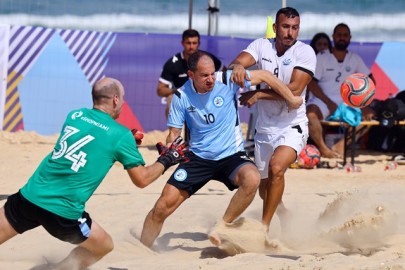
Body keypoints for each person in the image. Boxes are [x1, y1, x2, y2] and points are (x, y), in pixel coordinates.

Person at [0, 77, 187, 270]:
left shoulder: (75, 115)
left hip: (30, 197)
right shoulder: (120, 135)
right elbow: (142, 179)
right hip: (63, 214)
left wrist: (122, 142)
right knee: (104, 245)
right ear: (116, 99)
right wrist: (167, 159)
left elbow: (91, 137)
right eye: (122, 98)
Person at [140, 51, 304, 248]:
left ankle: (223, 226)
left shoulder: (227, 79)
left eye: (212, 73)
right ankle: (143, 248)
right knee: (161, 207)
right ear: (191, 75)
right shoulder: (181, 96)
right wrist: (170, 147)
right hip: (198, 157)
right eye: (204, 75)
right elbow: (174, 133)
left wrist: (291, 99)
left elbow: (266, 77)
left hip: (231, 156)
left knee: (252, 179)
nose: (211, 79)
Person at [228, 7, 316, 232]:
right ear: (275, 28)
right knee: (264, 190)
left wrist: (258, 94)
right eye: (285, 27)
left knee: (277, 168)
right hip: (264, 128)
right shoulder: (261, 46)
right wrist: (237, 66)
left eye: (294, 28)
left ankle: (263, 228)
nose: (290, 33)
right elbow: (237, 63)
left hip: (292, 124)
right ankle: (284, 215)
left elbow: (294, 91)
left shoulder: (305, 52)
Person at [306, 23, 375, 158]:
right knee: (310, 115)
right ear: (333, 37)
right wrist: (328, 102)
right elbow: (311, 83)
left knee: (371, 117)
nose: (342, 38)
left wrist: (363, 104)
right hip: (323, 101)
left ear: (350, 38)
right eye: (339, 35)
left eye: (345, 35)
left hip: (347, 102)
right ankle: (324, 149)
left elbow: (371, 82)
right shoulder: (322, 56)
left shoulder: (354, 58)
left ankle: (341, 145)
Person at [157, 29, 224, 118]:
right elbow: (160, 90)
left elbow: (224, 75)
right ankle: (175, 130)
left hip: (205, 95)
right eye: (188, 43)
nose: (191, 46)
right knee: (172, 98)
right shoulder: (173, 63)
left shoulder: (208, 58)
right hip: (183, 98)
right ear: (182, 43)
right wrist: (178, 91)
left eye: (194, 43)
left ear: (199, 44)